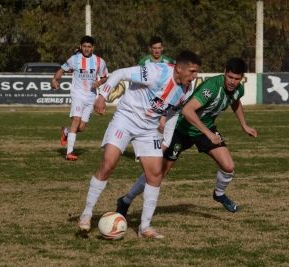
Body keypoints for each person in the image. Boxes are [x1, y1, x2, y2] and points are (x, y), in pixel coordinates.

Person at [77, 50, 202, 239]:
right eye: (192, 71)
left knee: (155, 175)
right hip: (125, 119)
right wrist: (102, 96)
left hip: (148, 129)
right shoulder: (156, 72)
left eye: (197, 72)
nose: (195, 76)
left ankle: (145, 227)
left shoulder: (186, 90)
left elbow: (173, 113)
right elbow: (120, 73)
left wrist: (166, 141)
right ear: (179, 68)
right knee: (108, 165)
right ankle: (86, 214)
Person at [116, 57, 257, 220]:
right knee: (159, 173)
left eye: (237, 79)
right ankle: (125, 200)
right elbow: (187, 111)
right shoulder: (211, 88)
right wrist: (208, 133)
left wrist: (244, 125)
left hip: (205, 129)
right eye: (230, 77)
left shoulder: (238, 89)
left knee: (228, 166)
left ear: (242, 78)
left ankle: (219, 194)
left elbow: (235, 101)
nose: (232, 82)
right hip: (182, 129)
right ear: (224, 72)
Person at [51, 36, 108, 161]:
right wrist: (55, 79)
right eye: (84, 46)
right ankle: (69, 153)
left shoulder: (99, 61)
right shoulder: (74, 59)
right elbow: (62, 70)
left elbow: (104, 77)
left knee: (81, 127)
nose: (87, 49)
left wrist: (99, 83)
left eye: (89, 47)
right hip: (78, 95)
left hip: (91, 97)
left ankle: (66, 131)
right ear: (81, 46)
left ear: (93, 47)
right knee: (76, 120)